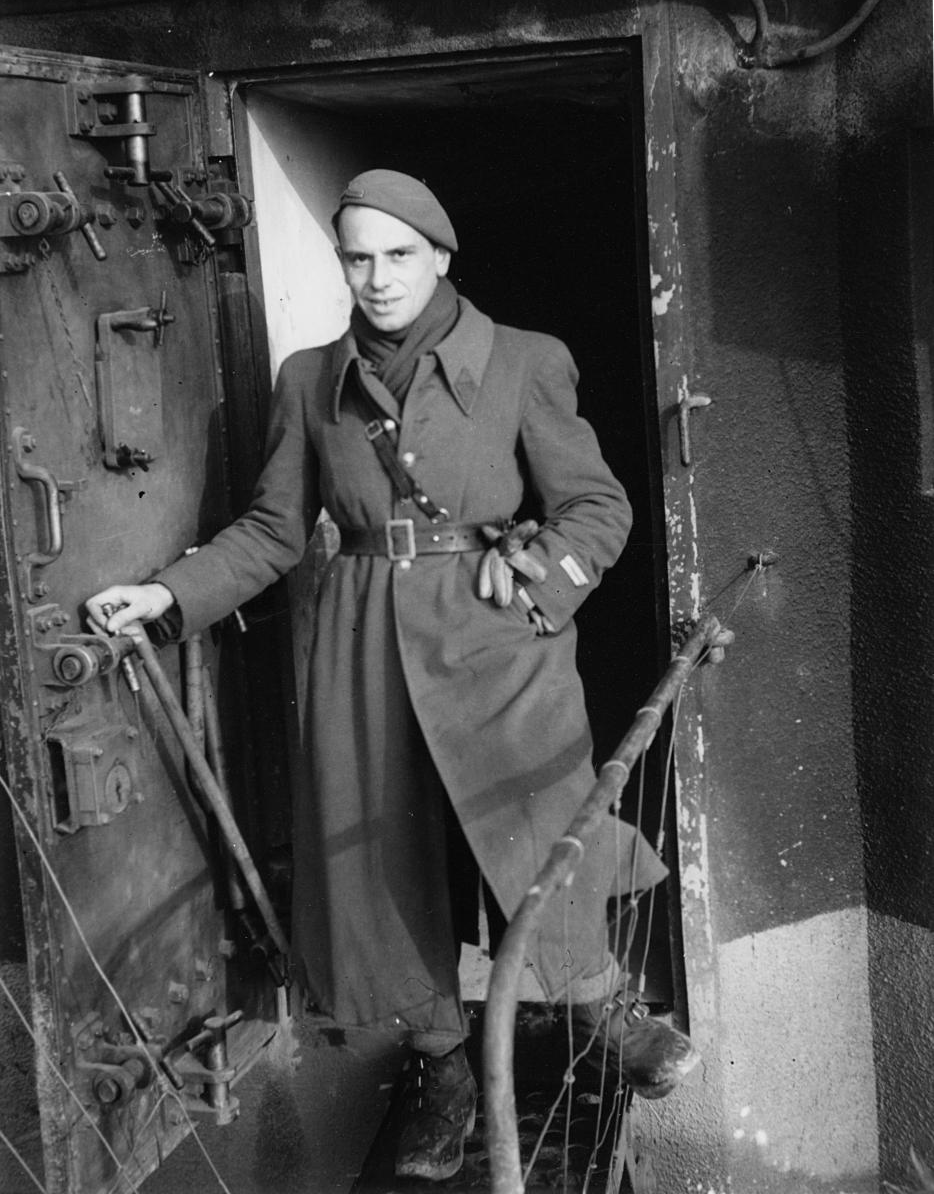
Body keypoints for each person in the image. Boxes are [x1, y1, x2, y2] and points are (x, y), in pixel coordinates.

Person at [87, 170, 697, 1182]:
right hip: (362, 639)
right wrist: (168, 595)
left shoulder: (524, 361)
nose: (376, 278)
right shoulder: (308, 376)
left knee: (539, 820)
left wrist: (540, 581)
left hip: (499, 636)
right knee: (376, 855)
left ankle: (595, 1006)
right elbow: (278, 527)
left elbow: (597, 505)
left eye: (398, 254)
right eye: (357, 257)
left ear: (441, 256)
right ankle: (440, 1063)